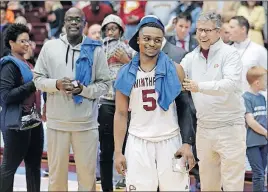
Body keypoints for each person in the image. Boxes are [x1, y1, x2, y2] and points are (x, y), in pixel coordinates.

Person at [114, 15, 195, 191]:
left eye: (157, 40)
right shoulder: (125, 73)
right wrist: (118, 151)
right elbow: (120, 114)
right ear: (138, 39)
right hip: (138, 142)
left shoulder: (176, 69)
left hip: (171, 141)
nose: (152, 43)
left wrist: (187, 143)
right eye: (147, 39)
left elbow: (185, 108)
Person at [33, 7, 110, 191]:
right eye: (70, 19)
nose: (74, 22)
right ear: (64, 23)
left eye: (78, 19)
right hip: (57, 123)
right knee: (56, 179)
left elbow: (105, 84)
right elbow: (37, 79)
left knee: (87, 178)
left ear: (85, 23)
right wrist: (57, 84)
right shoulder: (49, 47)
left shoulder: (95, 49)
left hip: (86, 124)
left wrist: (83, 90)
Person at [180, 11, 246, 191]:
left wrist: (198, 86)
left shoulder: (230, 54)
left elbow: (230, 84)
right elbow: (176, 73)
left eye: (207, 30)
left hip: (230, 126)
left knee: (233, 185)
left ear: (218, 31)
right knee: (208, 186)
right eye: (199, 30)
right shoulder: (190, 57)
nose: (202, 34)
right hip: (204, 128)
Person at [0, 23, 44, 192]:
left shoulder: (27, 63)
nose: (27, 44)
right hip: (15, 123)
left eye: (28, 41)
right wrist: (33, 85)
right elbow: (5, 96)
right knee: (9, 166)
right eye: (22, 41)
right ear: (11, 43)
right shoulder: (8, 66)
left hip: (33, 120)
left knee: (34, 166)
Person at [98, 14, 132, 192]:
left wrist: (127, 61)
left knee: (128, 149)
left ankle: (127, 183)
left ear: (120, 31)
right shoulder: (98, 50)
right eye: (108, 29)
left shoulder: (129, 48)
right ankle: (106, 188)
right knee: (106, 150)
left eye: (114, 28)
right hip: (105, 103)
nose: (111, 32)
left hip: (127, 104)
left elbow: (140, 70)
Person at [242, 66, 267, 192]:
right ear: (257, 82)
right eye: (265, 80)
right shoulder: (246, 98)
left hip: (264, 141)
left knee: (262, 174)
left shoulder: (262, 98)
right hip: (252, 142)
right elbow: (250, 122)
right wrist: (266, 133)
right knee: (258, 174)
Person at [229, 16, 267, 92]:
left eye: (232, 27)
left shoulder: (259, 50)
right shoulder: (225, 51)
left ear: (243, 29)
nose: (228, 30)